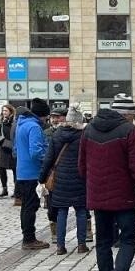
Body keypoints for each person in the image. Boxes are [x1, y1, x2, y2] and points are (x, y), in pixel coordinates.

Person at [77, 104, 135, 271]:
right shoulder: (130, 131)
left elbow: (82, 166)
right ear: (127, 115)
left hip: (97, 196)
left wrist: (93, 185)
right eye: (133, 115)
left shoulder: (89, 130)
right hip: (123, 197)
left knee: (103, 241)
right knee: (129, 239)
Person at [40, 106, 89, 255]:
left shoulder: (58, 133)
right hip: (80, 177)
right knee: (81, 210)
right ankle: (81, 245)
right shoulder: (84, 135)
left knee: (61, 211)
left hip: (60, 178)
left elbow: (49, 157)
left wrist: (42, 177)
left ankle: (60, 246)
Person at [13, 98, 47, 250]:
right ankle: (29, 239)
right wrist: (46, 159)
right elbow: (36, 152)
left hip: (22, 172)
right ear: (42, 115)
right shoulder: (34, 127)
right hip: (32, 172)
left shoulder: (22, 124)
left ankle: (27, 236)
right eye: (46, 116)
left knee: (26, 206)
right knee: (30, 207)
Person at [0, 103, 17, 198]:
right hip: (3, 148)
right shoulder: (0, 122)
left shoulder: (15, 121)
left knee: (15, 170)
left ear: (10, 111)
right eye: (3, 111)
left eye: (6, 110)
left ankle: (16, 190)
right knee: (2, 169)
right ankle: (4, 189)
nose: (4, 112)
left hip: (13, 148)